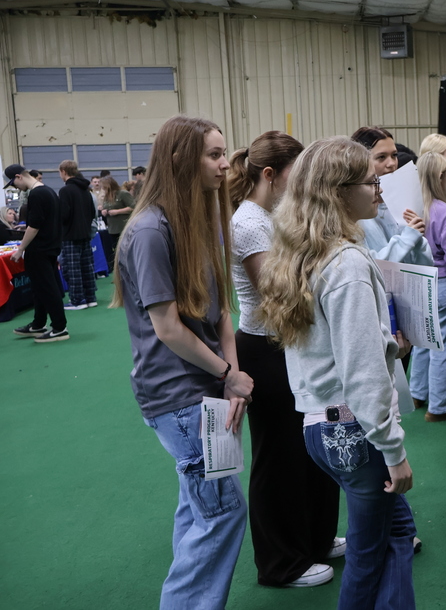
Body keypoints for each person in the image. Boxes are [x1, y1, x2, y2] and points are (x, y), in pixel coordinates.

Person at [259, 136, 416, 609]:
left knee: (395, 534)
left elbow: (325, 350)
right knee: (370, 553)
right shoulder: (345, 263)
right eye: (372, 181)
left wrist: (382, 341)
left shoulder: (303, 253)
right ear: (339, 191)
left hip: (319, 424)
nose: (380, 188)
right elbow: (362, 373)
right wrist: (393, 450)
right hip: (354, 430)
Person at [111, 114, 253, 609]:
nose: (225, 164)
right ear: (179, 160)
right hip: (178, 396)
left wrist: (229, 374)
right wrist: (228, 374)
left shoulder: (202, 221)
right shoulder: (150, 230)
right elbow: (167, 327)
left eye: (223, 153)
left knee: (198, 511)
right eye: (214, 155)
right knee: (221, 513)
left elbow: (221, 314)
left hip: (206, 390)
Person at [227, 131, 344, 588]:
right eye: (297, 175)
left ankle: (314, 538)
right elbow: (278, 293)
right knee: (279, 458)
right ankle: (281, 563)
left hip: (292, 343)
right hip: (265, 349)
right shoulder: (249, 223)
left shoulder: (275, 214)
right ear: (270, 175)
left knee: (312, 445)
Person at [408, 150, 446, 422]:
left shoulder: (415, 208)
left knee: (423, 342)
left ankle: (417, 394)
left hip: (422, 284)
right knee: (443, 348)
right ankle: (440, 407)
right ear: (441, 177)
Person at [351, 127, 432, 265]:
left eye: (394, 155)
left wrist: (418, 241)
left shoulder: (401, 203)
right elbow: (368, 266)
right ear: (360, 161)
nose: (392, 164)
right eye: (381, 157)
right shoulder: (355, 214)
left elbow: (425, 265)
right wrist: (407, 239)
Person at [6, 165, 68, 343]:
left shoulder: (36, 194)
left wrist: (20, 249)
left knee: (47, 288)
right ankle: (38, 323)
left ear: (18, 177)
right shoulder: (48, 191)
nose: (15, 187)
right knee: (40, 288)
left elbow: (35, 226)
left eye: (13, 183)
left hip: (39, 249)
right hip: (49, 247)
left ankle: (59, 327)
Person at [57, 160, 98, 310]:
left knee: (72, 268)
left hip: (70, 236)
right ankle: (90, 297)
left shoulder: (65, 191)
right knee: (87, 267)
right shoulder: (86, 191)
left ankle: (77, 300)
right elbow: (92, 212)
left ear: (63, 171)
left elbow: (64, 215)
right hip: (85, 234)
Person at [99, 175, 135, 266]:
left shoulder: (123, 194)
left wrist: (118, 211)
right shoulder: (106, 196)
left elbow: (133, 207)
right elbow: (106, 207)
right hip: (112, 229)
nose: (103, 189)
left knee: (126, 251)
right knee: (116, 252)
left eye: (104, 187)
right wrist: (104, 211)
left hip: (123, 228)